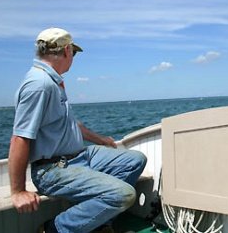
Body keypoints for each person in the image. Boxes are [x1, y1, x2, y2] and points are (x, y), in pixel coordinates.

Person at [8, 27, 147, 233]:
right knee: (122, 194)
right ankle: (55, 229)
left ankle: (99, 224)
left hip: (80, 156)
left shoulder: (54, 82)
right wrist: (18, 191)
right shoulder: (39, 84)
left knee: (135, 160)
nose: (73, 57)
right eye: (73, 52)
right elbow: (20, 137)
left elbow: (72, 125)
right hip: (53, 169)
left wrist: (101, 140)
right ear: (66, 51)